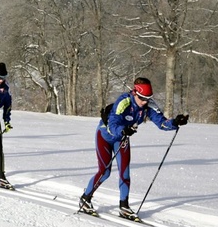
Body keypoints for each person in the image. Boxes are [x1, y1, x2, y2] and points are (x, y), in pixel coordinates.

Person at [79, 77, 189, 219]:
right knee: (104, 172)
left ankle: (124, 206)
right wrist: (123, 130)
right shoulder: (124, 101)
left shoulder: (148, 105)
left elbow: (161, 123)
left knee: (125, 173)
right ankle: (85, 198)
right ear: (135, 93)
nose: (145, 102)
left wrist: (175, 122)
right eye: (142, 98)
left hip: (122, 139)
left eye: (148, 98)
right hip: (105, 136)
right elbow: (112, 124)